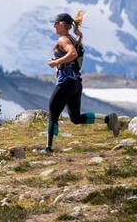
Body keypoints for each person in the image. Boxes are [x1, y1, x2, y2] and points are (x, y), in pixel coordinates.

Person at [44, 9, 121, 152]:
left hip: (66, 82)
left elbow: (72, 54)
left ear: (62, 24)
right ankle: (109, 120)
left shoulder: (64, 39)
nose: (54, 26)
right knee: (76, 118)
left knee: (53, 113)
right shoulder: (74, 39)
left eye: (55, 23)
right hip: (76, 83)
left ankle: (48, 148)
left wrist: (56, 62)